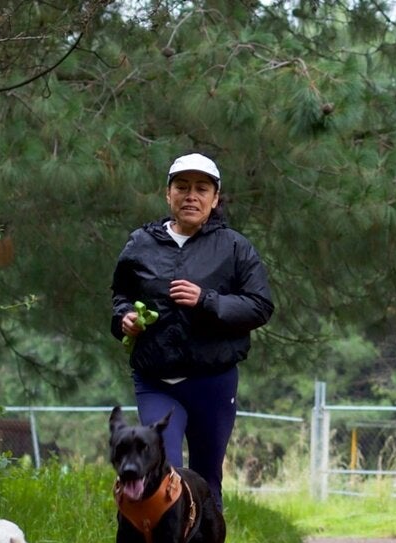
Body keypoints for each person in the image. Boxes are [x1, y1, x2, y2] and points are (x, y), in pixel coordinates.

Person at [111, 151, 274, 513]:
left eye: (202, 188)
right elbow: (121, 296)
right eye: (182, 187)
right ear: (167, 194)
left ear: (215, 199)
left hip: (213, 381)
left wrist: (208, 300)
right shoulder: (140, 244)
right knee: (160, 468)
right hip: (156, 379)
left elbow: (260, 306)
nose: (191, 196)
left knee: (205, 475)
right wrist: (124, 318)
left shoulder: (235, 247)